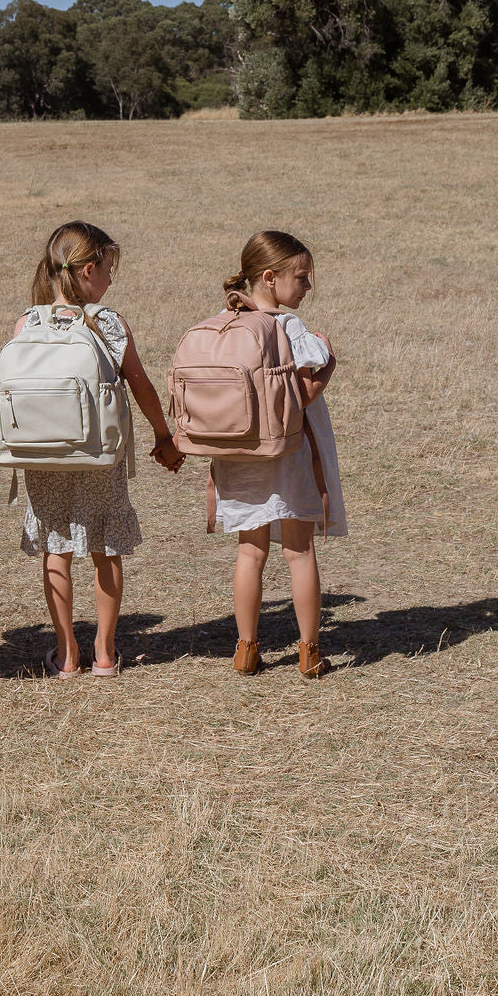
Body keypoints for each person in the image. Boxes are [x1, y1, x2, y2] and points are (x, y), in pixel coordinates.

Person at [13, 221, 183, 678]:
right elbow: (142, 387)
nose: (110, 279)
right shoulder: (108, 323)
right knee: (105, 547)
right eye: (108, 269)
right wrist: (163, 437)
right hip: (99, 453)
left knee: (57, 547)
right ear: (88, 270)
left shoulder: (28, 322)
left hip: (45, 453)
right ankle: (104, 653)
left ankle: (67, 654)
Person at [213, 231, 346, 679]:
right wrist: (329, 360)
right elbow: (307, 387)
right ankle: (309, 651)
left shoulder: (226, 323)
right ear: (270, 278)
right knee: (299, 551)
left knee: (249, 552)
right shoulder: (288, 326)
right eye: (302, 277)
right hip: (287, 450)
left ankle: (246, 649)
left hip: (240, 451)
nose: (308, 286)